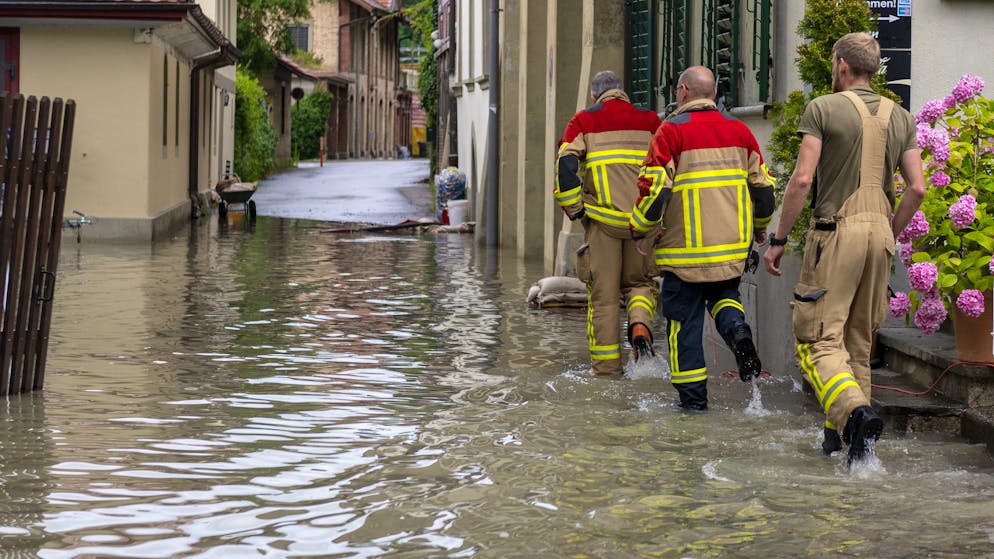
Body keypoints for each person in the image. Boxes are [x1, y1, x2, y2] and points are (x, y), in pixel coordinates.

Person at [763, 32, 926, 466]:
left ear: (840, 65)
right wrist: (890, 229)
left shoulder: (822, 108)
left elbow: (801, 180)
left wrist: (778, 240)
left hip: (836, 233)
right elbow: (917, 187)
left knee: (819, 339)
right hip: (881, 234)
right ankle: (852, 447)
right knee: (858, 341)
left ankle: (854, 414)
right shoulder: (902, 116)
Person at [628, 66, 775, 410]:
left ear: (682, 91)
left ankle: (693, 405)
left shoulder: (669, 133)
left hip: (684, 255)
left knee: (683, 325)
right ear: (713, 93)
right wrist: (760, 226)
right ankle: (738, 330)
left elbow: (654, 192)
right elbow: (765, 189)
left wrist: (641, 230)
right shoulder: (740, 131)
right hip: (730, 251)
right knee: (724, 298)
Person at [554, 70, 662, 375]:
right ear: (622, 92)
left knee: (603, 298)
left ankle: (606, 373)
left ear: (594, 96)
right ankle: (640, 326)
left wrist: (575, 207)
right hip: (643, 224)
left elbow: (566, 164)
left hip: (603, 223)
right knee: (641, 284)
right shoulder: (651, 121)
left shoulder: (583, 122)